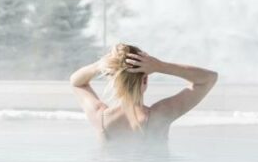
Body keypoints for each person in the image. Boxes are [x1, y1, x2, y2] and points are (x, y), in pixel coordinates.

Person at [69, 43, 218, 142]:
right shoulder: (159, 116)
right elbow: (208, 79)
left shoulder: (101, 118)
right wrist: (161, 66)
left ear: (114, 80)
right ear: (145, 80)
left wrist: (101, 65)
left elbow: (76, 82)